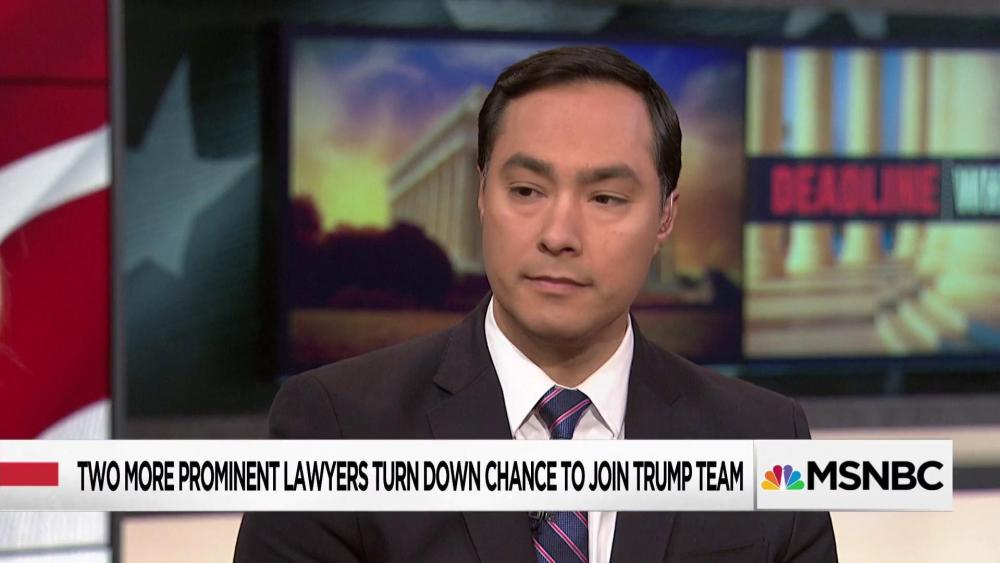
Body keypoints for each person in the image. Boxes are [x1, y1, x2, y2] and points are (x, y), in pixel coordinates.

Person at [235, 46, 838, 562]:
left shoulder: (765, 441)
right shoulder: (337, 430)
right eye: (526, 190)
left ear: (665, 216)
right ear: (481, 195)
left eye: (605, 198)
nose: (558, 235)